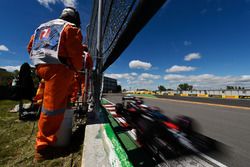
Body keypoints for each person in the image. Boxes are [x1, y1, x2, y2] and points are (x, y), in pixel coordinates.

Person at [27, 7, 83, 161]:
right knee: (52, 110)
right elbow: (77, 59)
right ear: (74, 19)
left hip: (41, 68)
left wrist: (41, 61)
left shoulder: (42, 27)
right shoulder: (70, 29)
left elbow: (30, 47)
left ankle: (50, 135)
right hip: (59, 70)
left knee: (49, 102)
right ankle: (43, 148)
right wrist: (75, 67)